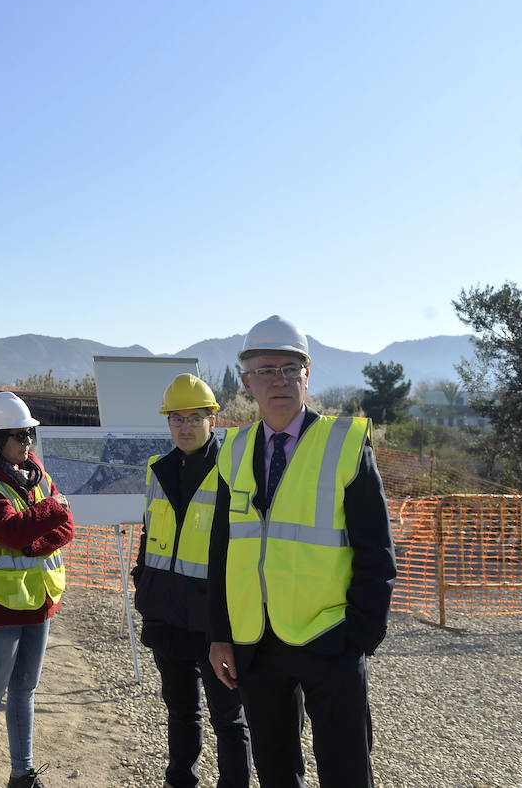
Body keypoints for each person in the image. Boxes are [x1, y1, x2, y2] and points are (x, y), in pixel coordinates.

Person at [207, 316, 397, 787]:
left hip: (330, 637)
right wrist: (221, 634)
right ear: (247, 381)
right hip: (257, 641)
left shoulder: (345, 444)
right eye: (267, 369)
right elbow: (220, 551)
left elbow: (377, 552)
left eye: (292, 368)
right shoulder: (231, 451)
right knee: (275, 771)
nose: (281, 380)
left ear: (307, 375)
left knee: (347, 770)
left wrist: (361, 637)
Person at [133, 374, 251, 788]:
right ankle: (180, 780)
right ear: (168, 423)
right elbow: (151, 534)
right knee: (180, 710)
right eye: (176, 418)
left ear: (212, 420)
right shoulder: (158, 469)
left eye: (194, 418)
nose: (184, 427)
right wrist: (142, 579)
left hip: (215, 620)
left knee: (229, 717)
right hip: (166, 614)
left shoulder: (232, 472)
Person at [0, 391, 74, 788]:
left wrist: (34, 542)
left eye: (30, 434)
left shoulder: (38, 473)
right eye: (21, 435)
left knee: (25, 691)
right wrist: (51, 509)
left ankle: (22, 773)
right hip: (3, 606)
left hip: (41, 601)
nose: (29, 442)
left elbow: (67, 528)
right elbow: (8, 530)